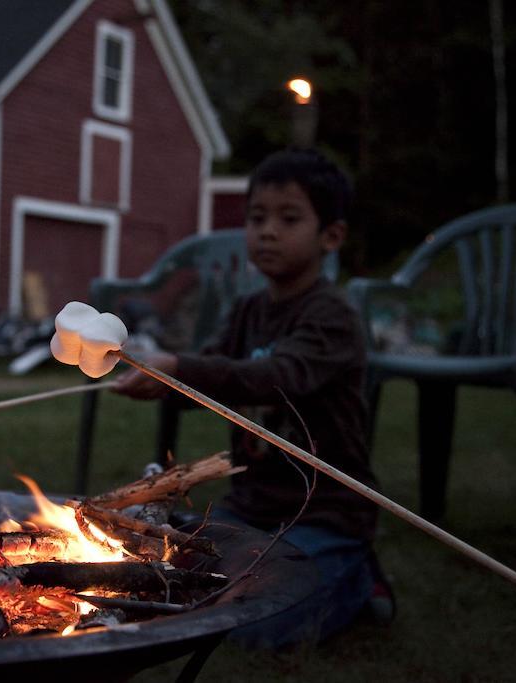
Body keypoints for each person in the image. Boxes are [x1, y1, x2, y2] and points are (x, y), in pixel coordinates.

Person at [112, 148, 393, 647]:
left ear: (331, 235)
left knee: (250, 625)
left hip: (322, 515)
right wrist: (160, 381)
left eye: (288, 219)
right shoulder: (248, 311)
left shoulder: (333, 316)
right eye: (257, 217)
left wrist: (181, 368)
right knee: (169, 576)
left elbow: (276, 377)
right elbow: (211, 380)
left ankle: (354, 577)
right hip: (251, 510)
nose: (266, 231)